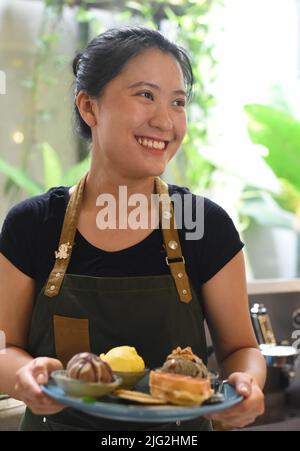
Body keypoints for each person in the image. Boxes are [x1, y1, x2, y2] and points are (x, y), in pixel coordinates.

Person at [0, 27, 265, 431]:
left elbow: (241, 349)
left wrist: (248, 382)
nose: (165, 120)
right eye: (145, 95)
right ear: (90, 108)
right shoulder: (32, 225)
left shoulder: (205, 225)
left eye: (177, 102)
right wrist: (23, 373)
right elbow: (5, 348)